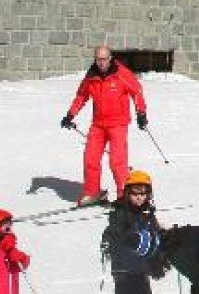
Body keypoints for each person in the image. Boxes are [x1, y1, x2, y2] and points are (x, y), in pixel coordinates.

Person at [61, 46, 149, 206]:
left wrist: (141, 113)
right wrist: (70, 114)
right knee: (90, 159)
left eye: (104, 59)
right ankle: (92, 193)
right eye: (98, 59)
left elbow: (136, 91)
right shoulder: (91, 76)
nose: (101, 63)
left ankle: (124, 196)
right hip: (98, 124)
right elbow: (82, 96)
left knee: (117, 161)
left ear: (110, 58)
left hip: (118, 124)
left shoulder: (121, 74)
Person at [98, 170, 163, 294]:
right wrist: (106, 242)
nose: (139, 197)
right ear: (127, 193)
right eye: (135, 193)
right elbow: (111, 231)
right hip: (123, 266)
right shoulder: (120, 212)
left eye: (143, 193)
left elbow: (154, 234)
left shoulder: (148, 214)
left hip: (141, 267)